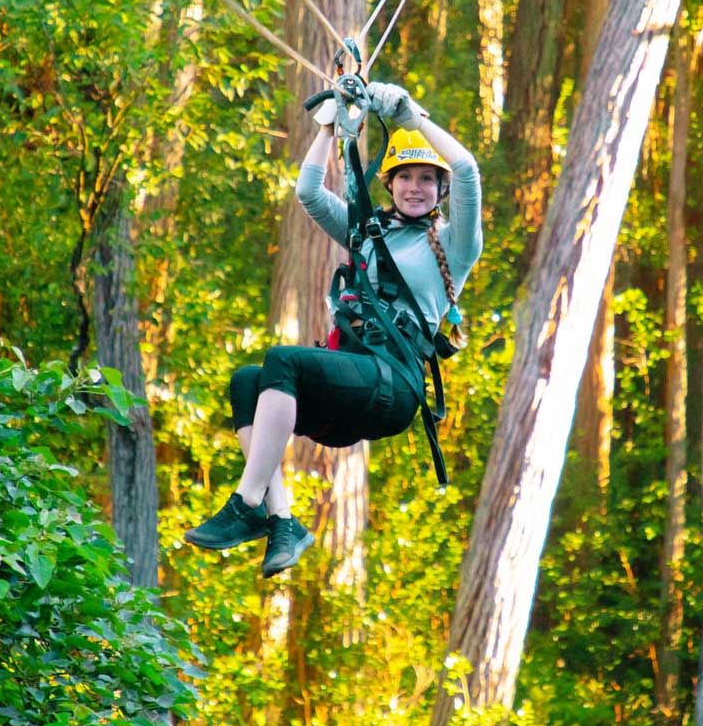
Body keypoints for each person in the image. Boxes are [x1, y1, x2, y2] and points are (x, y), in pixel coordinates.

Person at [183, 81, 482, 576]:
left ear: (440, 191)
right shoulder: (367, 234)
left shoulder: (454, 246)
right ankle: (282, 522)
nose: (414, 187)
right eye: (405, 177)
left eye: (427, 180)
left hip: (394, 387)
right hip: (353, 390)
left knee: (283, 359)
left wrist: (410, 117)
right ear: (388, 184)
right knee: (245, 381)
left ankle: (246, 503)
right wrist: (326, 128)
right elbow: (308, 193)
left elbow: (468, 169)